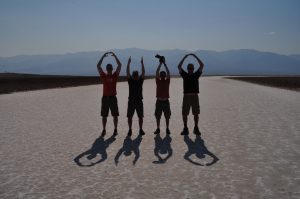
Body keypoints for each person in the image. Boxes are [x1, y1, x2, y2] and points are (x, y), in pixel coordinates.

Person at [178, 53, 204, 135]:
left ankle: (196, 128)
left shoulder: (196, 75)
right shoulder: (184, 75)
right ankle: (185, 128)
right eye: (189, 68)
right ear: (187, 69)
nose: (190, 70)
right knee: (184, 113)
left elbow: (202, 65)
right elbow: (179, 66)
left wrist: (196, 57)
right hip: (186, 97)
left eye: (191, 68)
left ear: (193, 69)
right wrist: (184, 57)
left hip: (195, 96)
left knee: (196, 113)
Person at [96, 52, 121, 137]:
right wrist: (103, 56)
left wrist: (115, 57)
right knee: (104, 115)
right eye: (108, 68)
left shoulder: (115, 76)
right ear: (106, 69)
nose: (109, 69)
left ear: (112, 69)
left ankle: (115, 129)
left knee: (115, 115)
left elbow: (120, 65)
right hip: (105, 98)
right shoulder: (103, 76)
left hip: (113, 98)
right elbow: (98, 66)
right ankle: (104, 129)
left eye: (110, 68)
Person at [126, 56, 145, 136]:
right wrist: (128, 63)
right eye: (134, 75)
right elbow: (127, 72)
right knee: (130, 116)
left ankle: (140, 129)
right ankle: (130, 129)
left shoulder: (140, 81)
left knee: (140, 116)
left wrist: (142, 64)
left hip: (139, 101)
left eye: (136, 75)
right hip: (131, 101)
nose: (135, 76)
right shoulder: (130, 81)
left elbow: (143, 72)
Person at [154, 58, 171, 135]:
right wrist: (160, 64)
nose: (163, 76)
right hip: (159, 101)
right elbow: (157, 72)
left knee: (167, 116)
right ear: (160, 76)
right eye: (162, 75)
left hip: (165, 101)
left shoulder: (167, 81)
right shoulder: (158, 81)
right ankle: (158, 128)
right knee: (158, 116)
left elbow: (168, 72)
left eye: (164, 75)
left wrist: (164, 64)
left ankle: (167, 128)